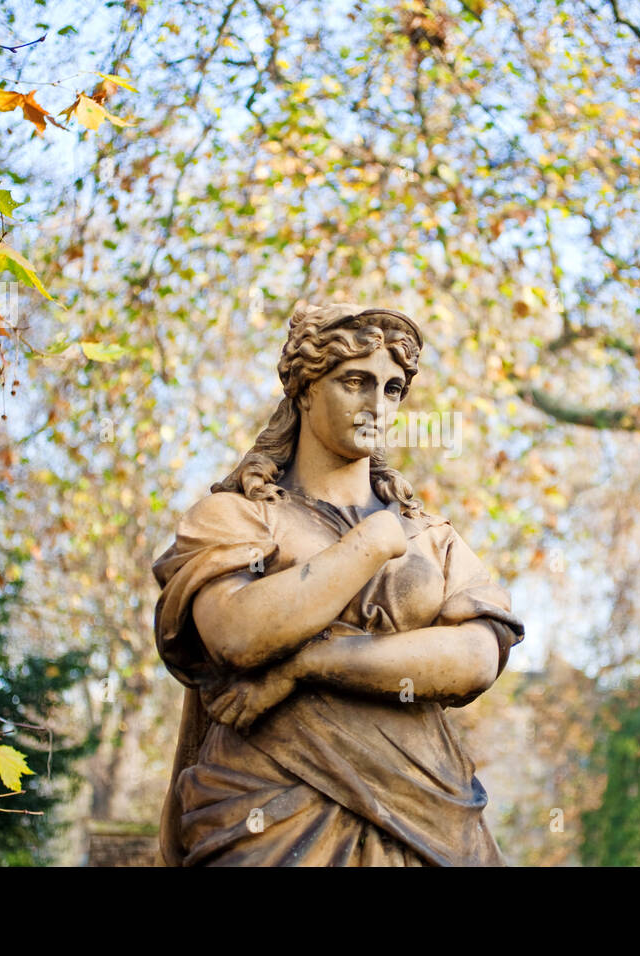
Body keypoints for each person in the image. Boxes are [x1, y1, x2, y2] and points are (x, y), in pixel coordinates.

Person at [151, 301, 524, 865]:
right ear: (304, 388)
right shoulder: (237, 516)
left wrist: (309, 662)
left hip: (425, 811)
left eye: (393, 389)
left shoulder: (432, 536)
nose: (377, 405)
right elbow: (238, 633)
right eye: (356, 381)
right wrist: (368, 545)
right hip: (269, 816)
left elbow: (475, 658)